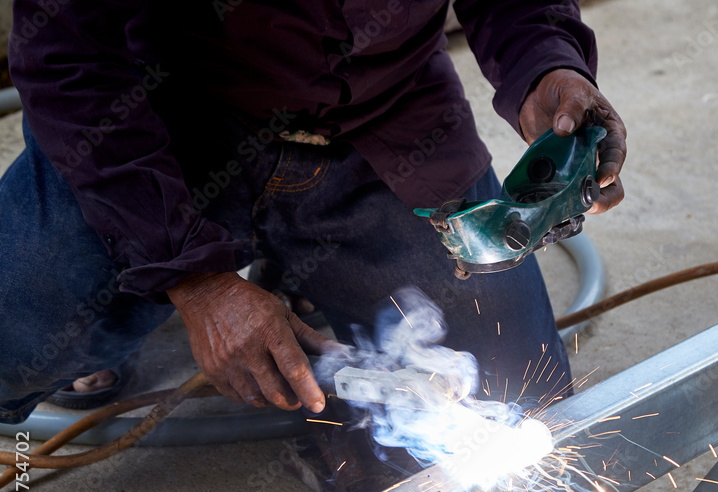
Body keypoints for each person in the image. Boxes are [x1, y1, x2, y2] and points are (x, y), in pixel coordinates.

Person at [0, 0, 626, 424]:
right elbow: (70, 63)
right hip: (163, 125)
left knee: (514, 402)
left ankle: (300, 271)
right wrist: (193, 283)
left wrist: (547, 63)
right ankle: (147, 293)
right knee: (26, 339)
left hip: (387, 117)